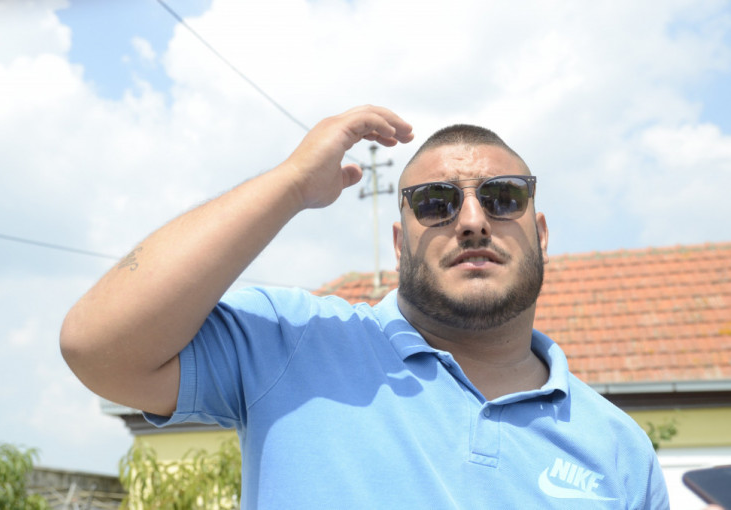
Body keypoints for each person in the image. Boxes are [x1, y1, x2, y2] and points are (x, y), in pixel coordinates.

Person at [60, 105, 669, 508]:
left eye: (503, 197)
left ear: (541, 234)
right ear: (400, 245)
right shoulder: (293, 342)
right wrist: (292, 182)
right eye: (435, 202)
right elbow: (97, 346)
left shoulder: (618, 448)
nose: (473, 221)